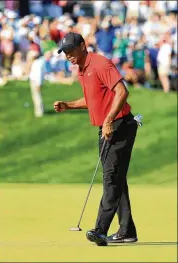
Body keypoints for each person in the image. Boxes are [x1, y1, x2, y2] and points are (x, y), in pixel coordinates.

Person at [53, 32, 138, 246]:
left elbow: (122, 92)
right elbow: (93, 99)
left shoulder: (100, 64)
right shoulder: (83, 71)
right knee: (116, 179)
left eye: (71, 50)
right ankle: (127, 230)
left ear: (83, 46)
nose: (68, 55)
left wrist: (109, 120)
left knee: (111, 178)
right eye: (65, 52)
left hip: (119, 125)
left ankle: (100, 230)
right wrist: (69, 105)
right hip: (109, 126)